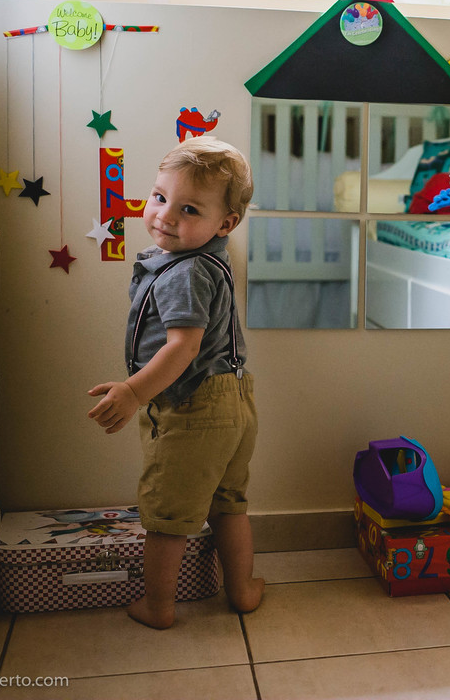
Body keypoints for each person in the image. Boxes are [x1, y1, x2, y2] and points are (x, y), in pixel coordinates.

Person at [87, 137, 263, 629]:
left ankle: (158, 607)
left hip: (195, 408)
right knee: (229, 504)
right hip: (235, 399)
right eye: (160, 197)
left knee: (168, 517)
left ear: (224, 224)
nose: (165, 215)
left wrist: (134, 391)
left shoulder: (186, 272)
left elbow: (182, 347)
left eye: (188, 209)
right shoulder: (208, 258)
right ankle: (242, 590)